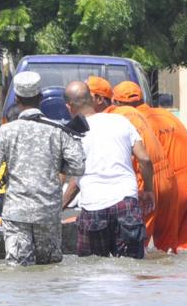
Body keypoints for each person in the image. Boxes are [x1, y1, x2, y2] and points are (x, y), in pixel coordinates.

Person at [0, 71, 85, 266]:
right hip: (47, 214)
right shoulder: (57, 130)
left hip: (16, 215)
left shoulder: (6, 132)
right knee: (49, 271)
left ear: (17, 99)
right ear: (40, 98)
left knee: (18, 272)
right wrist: (53, 162)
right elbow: (79, 166)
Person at [62, 81, 154, 258]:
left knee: (93, 271)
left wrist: (58, 207)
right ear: (92, 99)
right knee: (132, 266)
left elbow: (74, 180)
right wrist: (149, 189)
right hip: (126, 204)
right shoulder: (120, 121)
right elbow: (144, 158)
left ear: (69, 106)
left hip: (93, 208)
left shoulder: (72, 133)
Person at [118, 86, 187, 251]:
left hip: (174, 183)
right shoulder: (165, 114)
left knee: (142, 248)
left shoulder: (135, 123)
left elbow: (143, 161)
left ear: (117, 104)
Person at [107, 81, 178, 253]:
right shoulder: (149, 116)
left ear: (114, 101)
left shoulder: (117, 117)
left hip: (145, 179)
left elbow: (141, 160)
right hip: (168, 180)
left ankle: (143, 280)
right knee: (167, 250)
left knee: (137, 245)